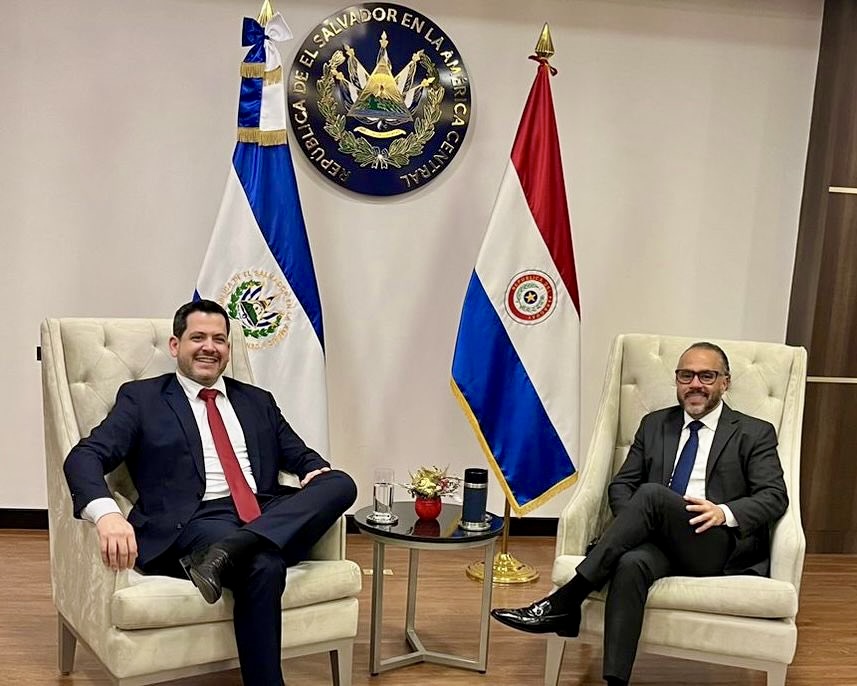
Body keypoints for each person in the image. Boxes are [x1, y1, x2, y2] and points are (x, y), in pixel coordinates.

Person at [64, 299, 357, 685]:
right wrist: (107, 514)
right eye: (197, 337)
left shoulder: (257, 400)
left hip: (263, 511)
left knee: (340, 483)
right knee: (264, 565)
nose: (209, 347)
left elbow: (300, 455)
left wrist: (313, 470)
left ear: (228, 350)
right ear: (175, 345)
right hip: (196, 520)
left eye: (219, 339)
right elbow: (85, 456)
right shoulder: (143, 399)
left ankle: (227, 553)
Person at [491, 342, 788, 686]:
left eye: (707, 376)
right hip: (659, 540)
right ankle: (615, 680)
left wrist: (724, 512)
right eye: (685, 375)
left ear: (725, 382)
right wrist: (638, 525)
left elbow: (774, 496)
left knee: (650, 495)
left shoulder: (754, 431)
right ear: (676, 381)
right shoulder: (655, 424)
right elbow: (621, 486)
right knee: (631, 565)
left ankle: (566, 600)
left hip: (713, 543)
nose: (695, 384)